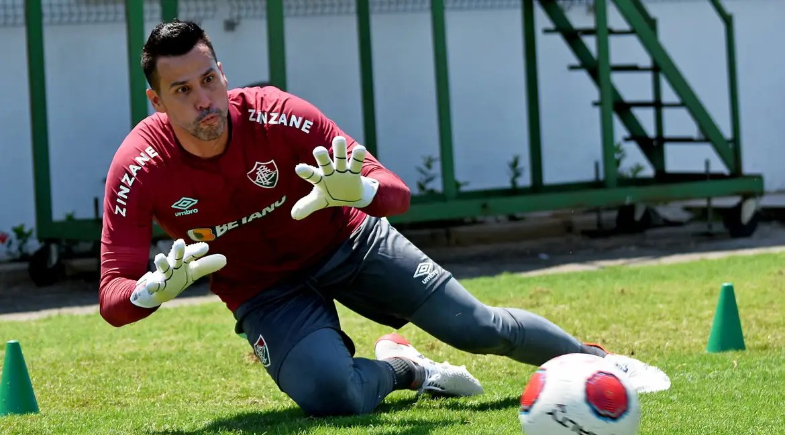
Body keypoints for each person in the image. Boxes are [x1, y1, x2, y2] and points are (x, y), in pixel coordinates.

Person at [99, 19, 670, 417]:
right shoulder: (137, 166)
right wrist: (149, 293)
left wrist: (363, 189)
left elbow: (397, 195)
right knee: (334, 397)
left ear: (222, 73)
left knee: (477, 328)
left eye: (209, 79)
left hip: (349, 242)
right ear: (157, 101)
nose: (204, 100)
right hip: (263, 291)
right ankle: (407, 370)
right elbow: (112, 295)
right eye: (182, 90)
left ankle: (599, 362)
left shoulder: (279, 115)